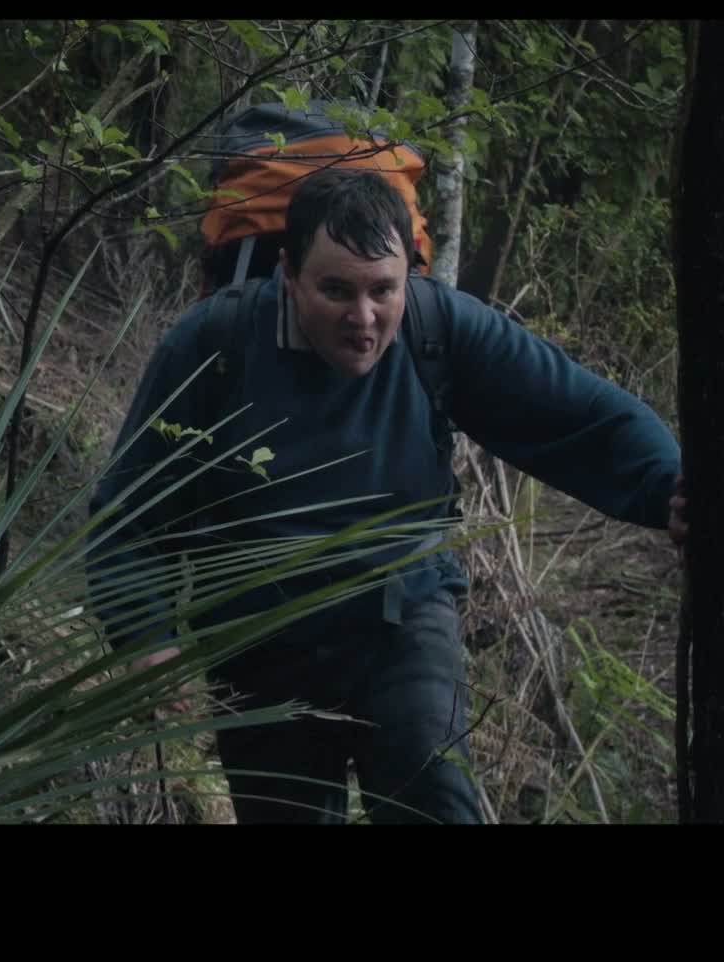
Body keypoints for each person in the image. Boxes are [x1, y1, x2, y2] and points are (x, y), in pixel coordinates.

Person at [88, 167, 687, 824]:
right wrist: (146, 634)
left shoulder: (438, 327)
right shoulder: (216, 345)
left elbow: (578, 412)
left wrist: (670, 487)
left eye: (383, 290)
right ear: (288, 274)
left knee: (434, 795)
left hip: (402, 615)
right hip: (258, 637)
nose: (364, 318)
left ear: (410, 277)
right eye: (336, 290)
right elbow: (129, 509)